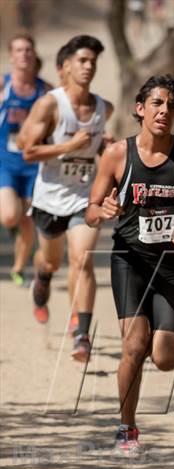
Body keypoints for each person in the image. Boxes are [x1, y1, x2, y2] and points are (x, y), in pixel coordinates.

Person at [85, 74, 174, 455]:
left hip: (169, 265)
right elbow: (91, 209)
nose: (164, 111)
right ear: (140, 109)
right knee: (134, 344)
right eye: (157, 103)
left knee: (165, 358)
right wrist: (102, 209)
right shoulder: (117, 155)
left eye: (171, 106)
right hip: (129, 260)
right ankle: (127, 428)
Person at [18, 35, 113, 362]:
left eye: (93, 61)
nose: (89, 66)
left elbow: (101, 145)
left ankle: (81, 333)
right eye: (83, 60)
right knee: (52, 261)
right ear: (66, 66)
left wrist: (105, 147)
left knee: (83, 259)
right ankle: (41, 278)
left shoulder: (104, 108)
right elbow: (28, 150)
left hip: (83, 198)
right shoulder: (49, 104)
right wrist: (68, 147)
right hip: (48, 200)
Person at [0, 33, 50, 287]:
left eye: (28, 49)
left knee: (28, 220)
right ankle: (11, 220)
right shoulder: (3, 85)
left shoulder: (45, 90)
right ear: (11, 55)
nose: (23, 54)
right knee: (10, 217)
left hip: (33, 166)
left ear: (34, 54)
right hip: (5, 163)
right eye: (18, 50)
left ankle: (19, 268)